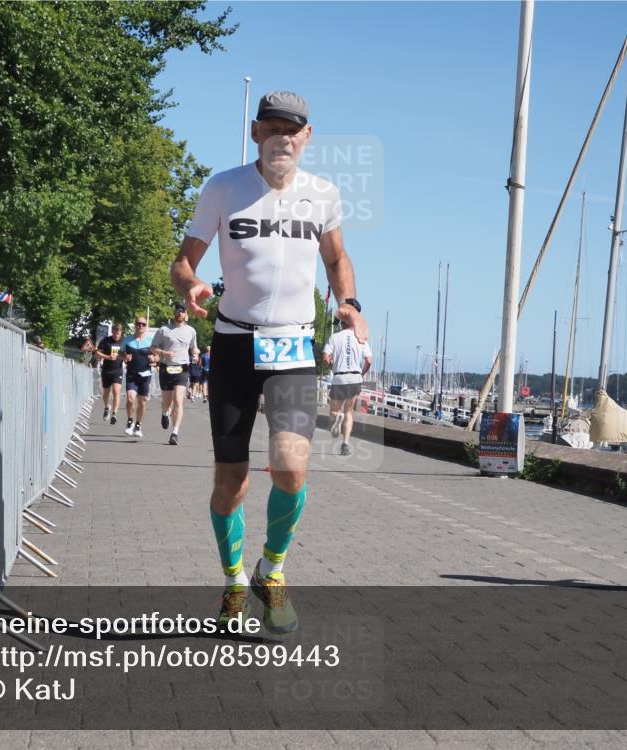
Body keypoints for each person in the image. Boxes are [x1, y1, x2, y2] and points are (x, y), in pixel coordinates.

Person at [169, 90, 368, 633]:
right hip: (233, 342)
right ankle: (234, 582)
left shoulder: (323, 193)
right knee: (230, 480)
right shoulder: (224, 188)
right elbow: (184, 261)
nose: (282, 137)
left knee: (292, 466)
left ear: (308, 137)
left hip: (294, 345)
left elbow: (336, 257)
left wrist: (348, 303)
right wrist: (189, 286)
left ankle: (271, 572)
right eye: (272, 127)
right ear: (255, 133)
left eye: (293, 129)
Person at [323, 317, 373, 456]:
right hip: (355, 378)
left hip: (340, 377)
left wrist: (332, 367)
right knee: (349, 412)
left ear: (342, 324)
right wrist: (361, 373)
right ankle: (345, 444)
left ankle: (337, 416)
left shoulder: (335, 337)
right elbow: (369, 360)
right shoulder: (360, 338)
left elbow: (325, 357)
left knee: (334, 411)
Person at [150, 303, 198, 445]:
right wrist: (164, 353)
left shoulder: (191, 331)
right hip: (166, 368)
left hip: (182, 368)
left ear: (185, 314)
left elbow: (194, 347)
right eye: (177, 312)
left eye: (182, 312)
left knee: (178, 400)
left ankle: (175, 432)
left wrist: (195, 354)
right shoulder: (163, 330)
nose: (179, 314)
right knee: (167, 401)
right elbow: (153, 348)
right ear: (174, 313)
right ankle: (165, 413)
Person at [123, 316, 156, 437]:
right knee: (130, 399)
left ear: (146, 326)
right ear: (135, 325)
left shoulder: (151, 341)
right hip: (131, 374)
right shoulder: (127, 340)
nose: (140, 326)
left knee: (142, 402)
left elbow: (157, 357)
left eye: (143, 324)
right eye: (138, 324)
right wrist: (125, 357)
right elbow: (121, 353)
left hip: (145, 376)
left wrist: (154, 359)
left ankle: (138, 425)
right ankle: (129, 421)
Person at [95, 323, 125, 424]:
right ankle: (107, 406)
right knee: (106, 392)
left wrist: (125, 358)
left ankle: (114, 414)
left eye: (118, 332)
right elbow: (97, 352)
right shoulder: (106, 341)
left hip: (118, 370)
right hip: (107, 370)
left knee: (116, 391)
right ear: (112, 331)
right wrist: (107, 357)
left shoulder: (124, 342)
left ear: (121, 333)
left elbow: (127, 355)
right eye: (115, 331)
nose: (116, 334)